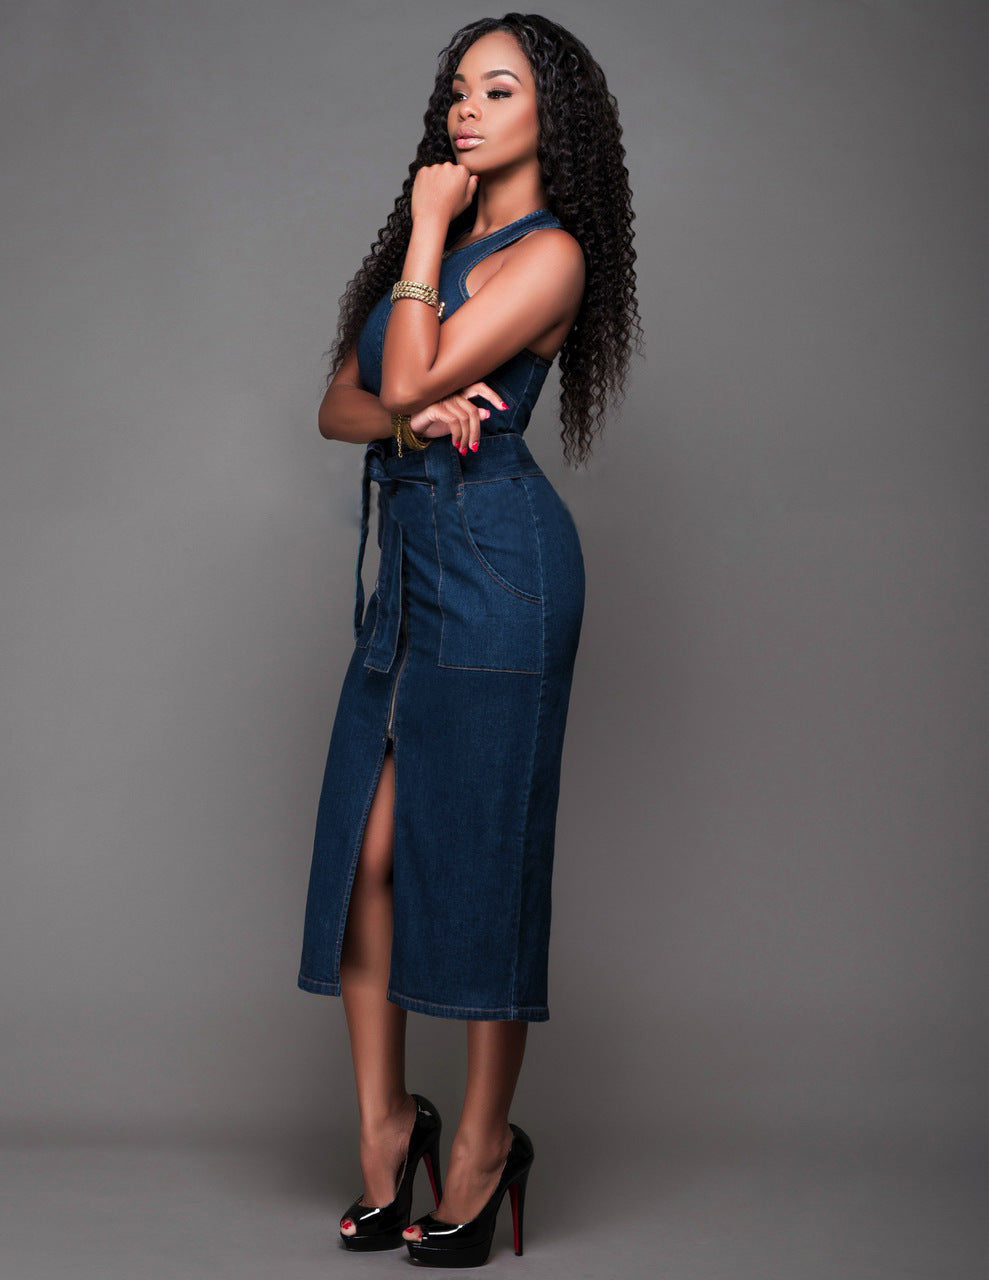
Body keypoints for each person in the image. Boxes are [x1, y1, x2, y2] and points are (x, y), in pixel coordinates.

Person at [297, 12, 640, 1267]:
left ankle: (486, 1148)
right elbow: (345, 402)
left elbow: (393, 378)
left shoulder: (547, 256)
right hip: (411, 571)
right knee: (365, 859)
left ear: (554, 112)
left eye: (495, 88)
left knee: (485, 863)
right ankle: (389, 1124)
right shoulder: (428, 246)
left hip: (501, 567)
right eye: (454, 89)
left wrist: (428, 240)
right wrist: (409, 405)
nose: (463, 108)